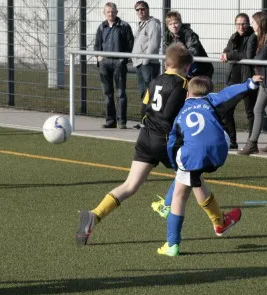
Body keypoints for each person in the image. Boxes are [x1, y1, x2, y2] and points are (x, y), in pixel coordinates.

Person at [75, 43, 193, 246]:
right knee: (192, 175)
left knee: (129, 185)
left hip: (145, 137)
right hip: (165, 140)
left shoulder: (155, 80)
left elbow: (143, 109)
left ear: (166, 63)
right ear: (187, 67)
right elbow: (173, 115)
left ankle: (95, 214)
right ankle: (218, 220)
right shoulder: (184, 83)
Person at [158, 75, 262, 256]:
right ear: (209, 92)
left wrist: (174, 164)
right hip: (219, 151)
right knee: (194, 178)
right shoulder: (211, 100)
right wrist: (250, 84)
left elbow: (172, 141)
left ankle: (172, 243)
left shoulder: (181, 111)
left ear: (187, 94)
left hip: (194, 154)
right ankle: (220, 222)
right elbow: (229, 93)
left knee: (179, 196)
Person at [239, 11, 267, 155]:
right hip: (265, 77)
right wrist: (253, 37)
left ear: (260, 23)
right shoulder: (259, 37)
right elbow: (249, 56)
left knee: (257, 110)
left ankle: (252, 143)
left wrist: (254, 41)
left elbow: (260, 57)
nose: (251, 25)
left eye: (253, 22)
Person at [220, 13, 257, 150]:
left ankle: (251, 142)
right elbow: (227, 50)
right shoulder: (234, 36)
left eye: (244, 23)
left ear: (248, 24)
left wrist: (229, 55)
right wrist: (224, 54)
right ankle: (232, 141)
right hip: (233, 79)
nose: (241, 26)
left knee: (250, 112)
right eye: (238, 24)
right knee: (226, 110)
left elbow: (247, 55)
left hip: (248, 79)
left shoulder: (253, 36)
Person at [94, 2, 134, 129]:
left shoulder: (124, 26)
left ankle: (122, 122)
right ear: (104, 13)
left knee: (121, 93)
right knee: (107, 93)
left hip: (119, 63)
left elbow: (130, 43)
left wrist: (124, 59)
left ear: (116, 12)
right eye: (108, 12)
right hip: (104, 64)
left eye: (112, 11)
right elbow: (97, 44)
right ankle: (110, 121)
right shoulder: (101, 27)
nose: (110, 14)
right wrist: (98, 57)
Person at [131, 0, 161, 126]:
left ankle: (151, 121)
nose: (140, 11)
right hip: (139, 63)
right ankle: (144, 120)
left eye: (142, 9)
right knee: (144, 93)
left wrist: (145, 61)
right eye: (137, 10)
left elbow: (153, 44)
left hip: (148, 64)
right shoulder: (141, 24)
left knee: (151, 93)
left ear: (147, 9)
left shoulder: (153, 24)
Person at [164, 10, 213, 79]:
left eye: (175, 23)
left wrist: (177, 59)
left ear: (180, 23)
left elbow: (193, 52)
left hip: (201, 69)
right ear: (167, 26)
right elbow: (168, 53)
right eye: (170, 24)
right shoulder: (167, 37)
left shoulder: (189, 34)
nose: (173, 26)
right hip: (183, 69)